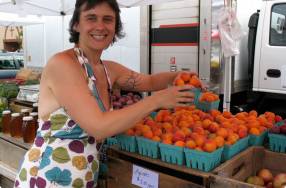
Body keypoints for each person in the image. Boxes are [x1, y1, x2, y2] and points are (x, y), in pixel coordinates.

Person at [14, 0, 200, 187]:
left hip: (83, 176)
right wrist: (157, 100)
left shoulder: (108, 70)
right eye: (91, 18)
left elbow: (150, 81)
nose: (100, 26)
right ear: (77, 24)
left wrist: (178, 75)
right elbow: (99, 127)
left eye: (108, 19)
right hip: (45, 178)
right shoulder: (63, 64)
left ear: (115, 26)